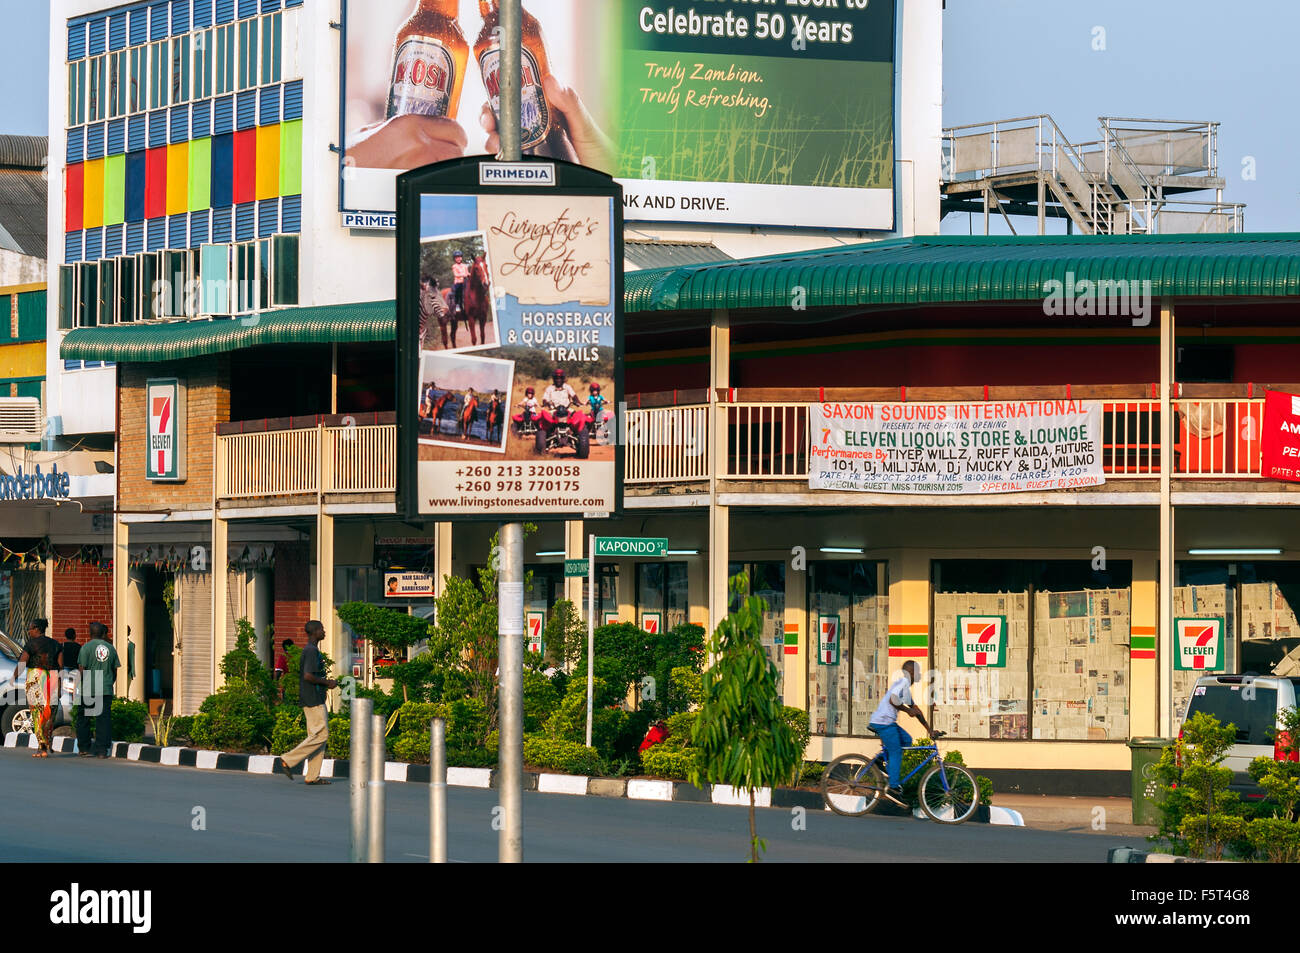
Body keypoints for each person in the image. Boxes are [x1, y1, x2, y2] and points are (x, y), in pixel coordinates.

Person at [278, 620, 338, 785]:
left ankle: (312, 776)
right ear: (315, 632)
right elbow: (308, 676)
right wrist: (327, 683)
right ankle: (288, 759)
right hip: (313, 698)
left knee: (317, 737)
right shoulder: (311, 651)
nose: (324, 632)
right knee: (322, 734)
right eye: (322, 630)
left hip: (311, 697)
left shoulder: (311, 649)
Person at [867, 660, 936, 801]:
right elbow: (893, 700)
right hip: (883, 722)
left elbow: (917, 711)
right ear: (911, 673)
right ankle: (893, 787)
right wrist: (907, 710)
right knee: (896, 751)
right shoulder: (903, 683)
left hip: (887, 721)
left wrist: (930, 730)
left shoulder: (904, 687)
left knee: (907, 740)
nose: (920, 674)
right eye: (917, 671)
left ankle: (879, 762)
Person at [17, 619, 60, 758]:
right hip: (53, 677)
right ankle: (47, 742)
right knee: (49, 713)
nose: (28, 631)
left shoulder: (31, 644)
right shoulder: (56, 644)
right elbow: (61, 665)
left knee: (37, 713)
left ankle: (41, 747)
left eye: (30, 629)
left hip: (36, 677)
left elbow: (22, 661)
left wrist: (14, 676)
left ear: (37, 629)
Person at [77, 621, 120, 759]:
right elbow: (115, 671)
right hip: (105, 688)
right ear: (103, 633)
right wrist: (108, 683)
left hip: (88, 688)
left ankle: (84, 748)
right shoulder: (111, 648)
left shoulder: (85, 648)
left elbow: (82, 670)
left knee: (84, 718)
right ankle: (102, 750)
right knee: (103, 720)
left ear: (90, 633)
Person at [450, 251, 470, 316]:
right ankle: (457, 305)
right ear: (455, 259)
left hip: (465, 282)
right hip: (458, 282)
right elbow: (456, 274)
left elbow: (467, 273)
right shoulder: (454, 266)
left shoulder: (465, 266)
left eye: (459, 257)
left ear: (461, 258)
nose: (458, 259)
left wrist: (470, 274)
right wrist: (464, 275)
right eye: (456, 258)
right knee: (458, 291)